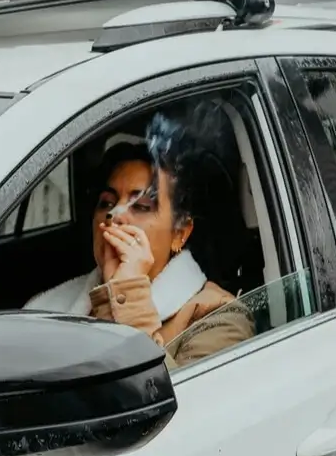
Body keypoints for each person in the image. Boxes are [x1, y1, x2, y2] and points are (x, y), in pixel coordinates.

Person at [24, 139, 254, 369]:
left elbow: (182, 402)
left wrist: (128, 296)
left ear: (179, 233)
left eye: (142, 206)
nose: (114, 215)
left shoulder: (218, 317)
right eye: (106, 203)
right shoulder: (48, 307)